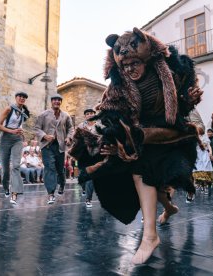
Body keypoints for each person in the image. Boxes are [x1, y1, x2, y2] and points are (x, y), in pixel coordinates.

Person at [69, 28, 202, 264]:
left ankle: (151, 234)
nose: (130, 70)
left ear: (144, 58)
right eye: (125, 65)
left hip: (168, 135)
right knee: (143, 174)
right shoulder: (118, 86)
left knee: (148, 176)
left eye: (134, 63)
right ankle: (161, 220)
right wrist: (108, 141)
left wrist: (189, 100)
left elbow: (181, 107)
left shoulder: (168, 73)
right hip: (140, 138)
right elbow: (109, 115)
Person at [35, 94, 74, 204]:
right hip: (47, 146)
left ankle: (62, 184)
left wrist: (68, 137)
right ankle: (51, 193)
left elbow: (71, 128)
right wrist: (45, 136)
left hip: (60, 146)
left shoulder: (65, 115)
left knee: (60, 169)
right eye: (54, 100)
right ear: (51, 102)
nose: (56, 101)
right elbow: (37, 128)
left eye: (59, 100)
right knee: (49, 167)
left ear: (61, 102)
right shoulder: (43, 115)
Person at [0, 91, 30, 204]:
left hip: (17, 139)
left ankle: (14, 193)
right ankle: (6, 188)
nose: (22, 98)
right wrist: (12, 131)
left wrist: (22, 134)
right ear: (16, 98)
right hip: (5, 138)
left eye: (24, 97)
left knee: (15, 165)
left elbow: (18, 126)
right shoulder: (8, 109)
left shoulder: (24, 112)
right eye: (20, 96)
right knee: (5, 170)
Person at [77, 108, 98, 208]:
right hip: (83, 154)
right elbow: (76, 139)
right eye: (87, 114)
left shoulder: (99, 126)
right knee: (82, 175)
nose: (90, 115)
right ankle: (84, 188)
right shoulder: (81, 126)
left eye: (91, 113)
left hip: (94, 154)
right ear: (85, 116)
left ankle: (88, 199)